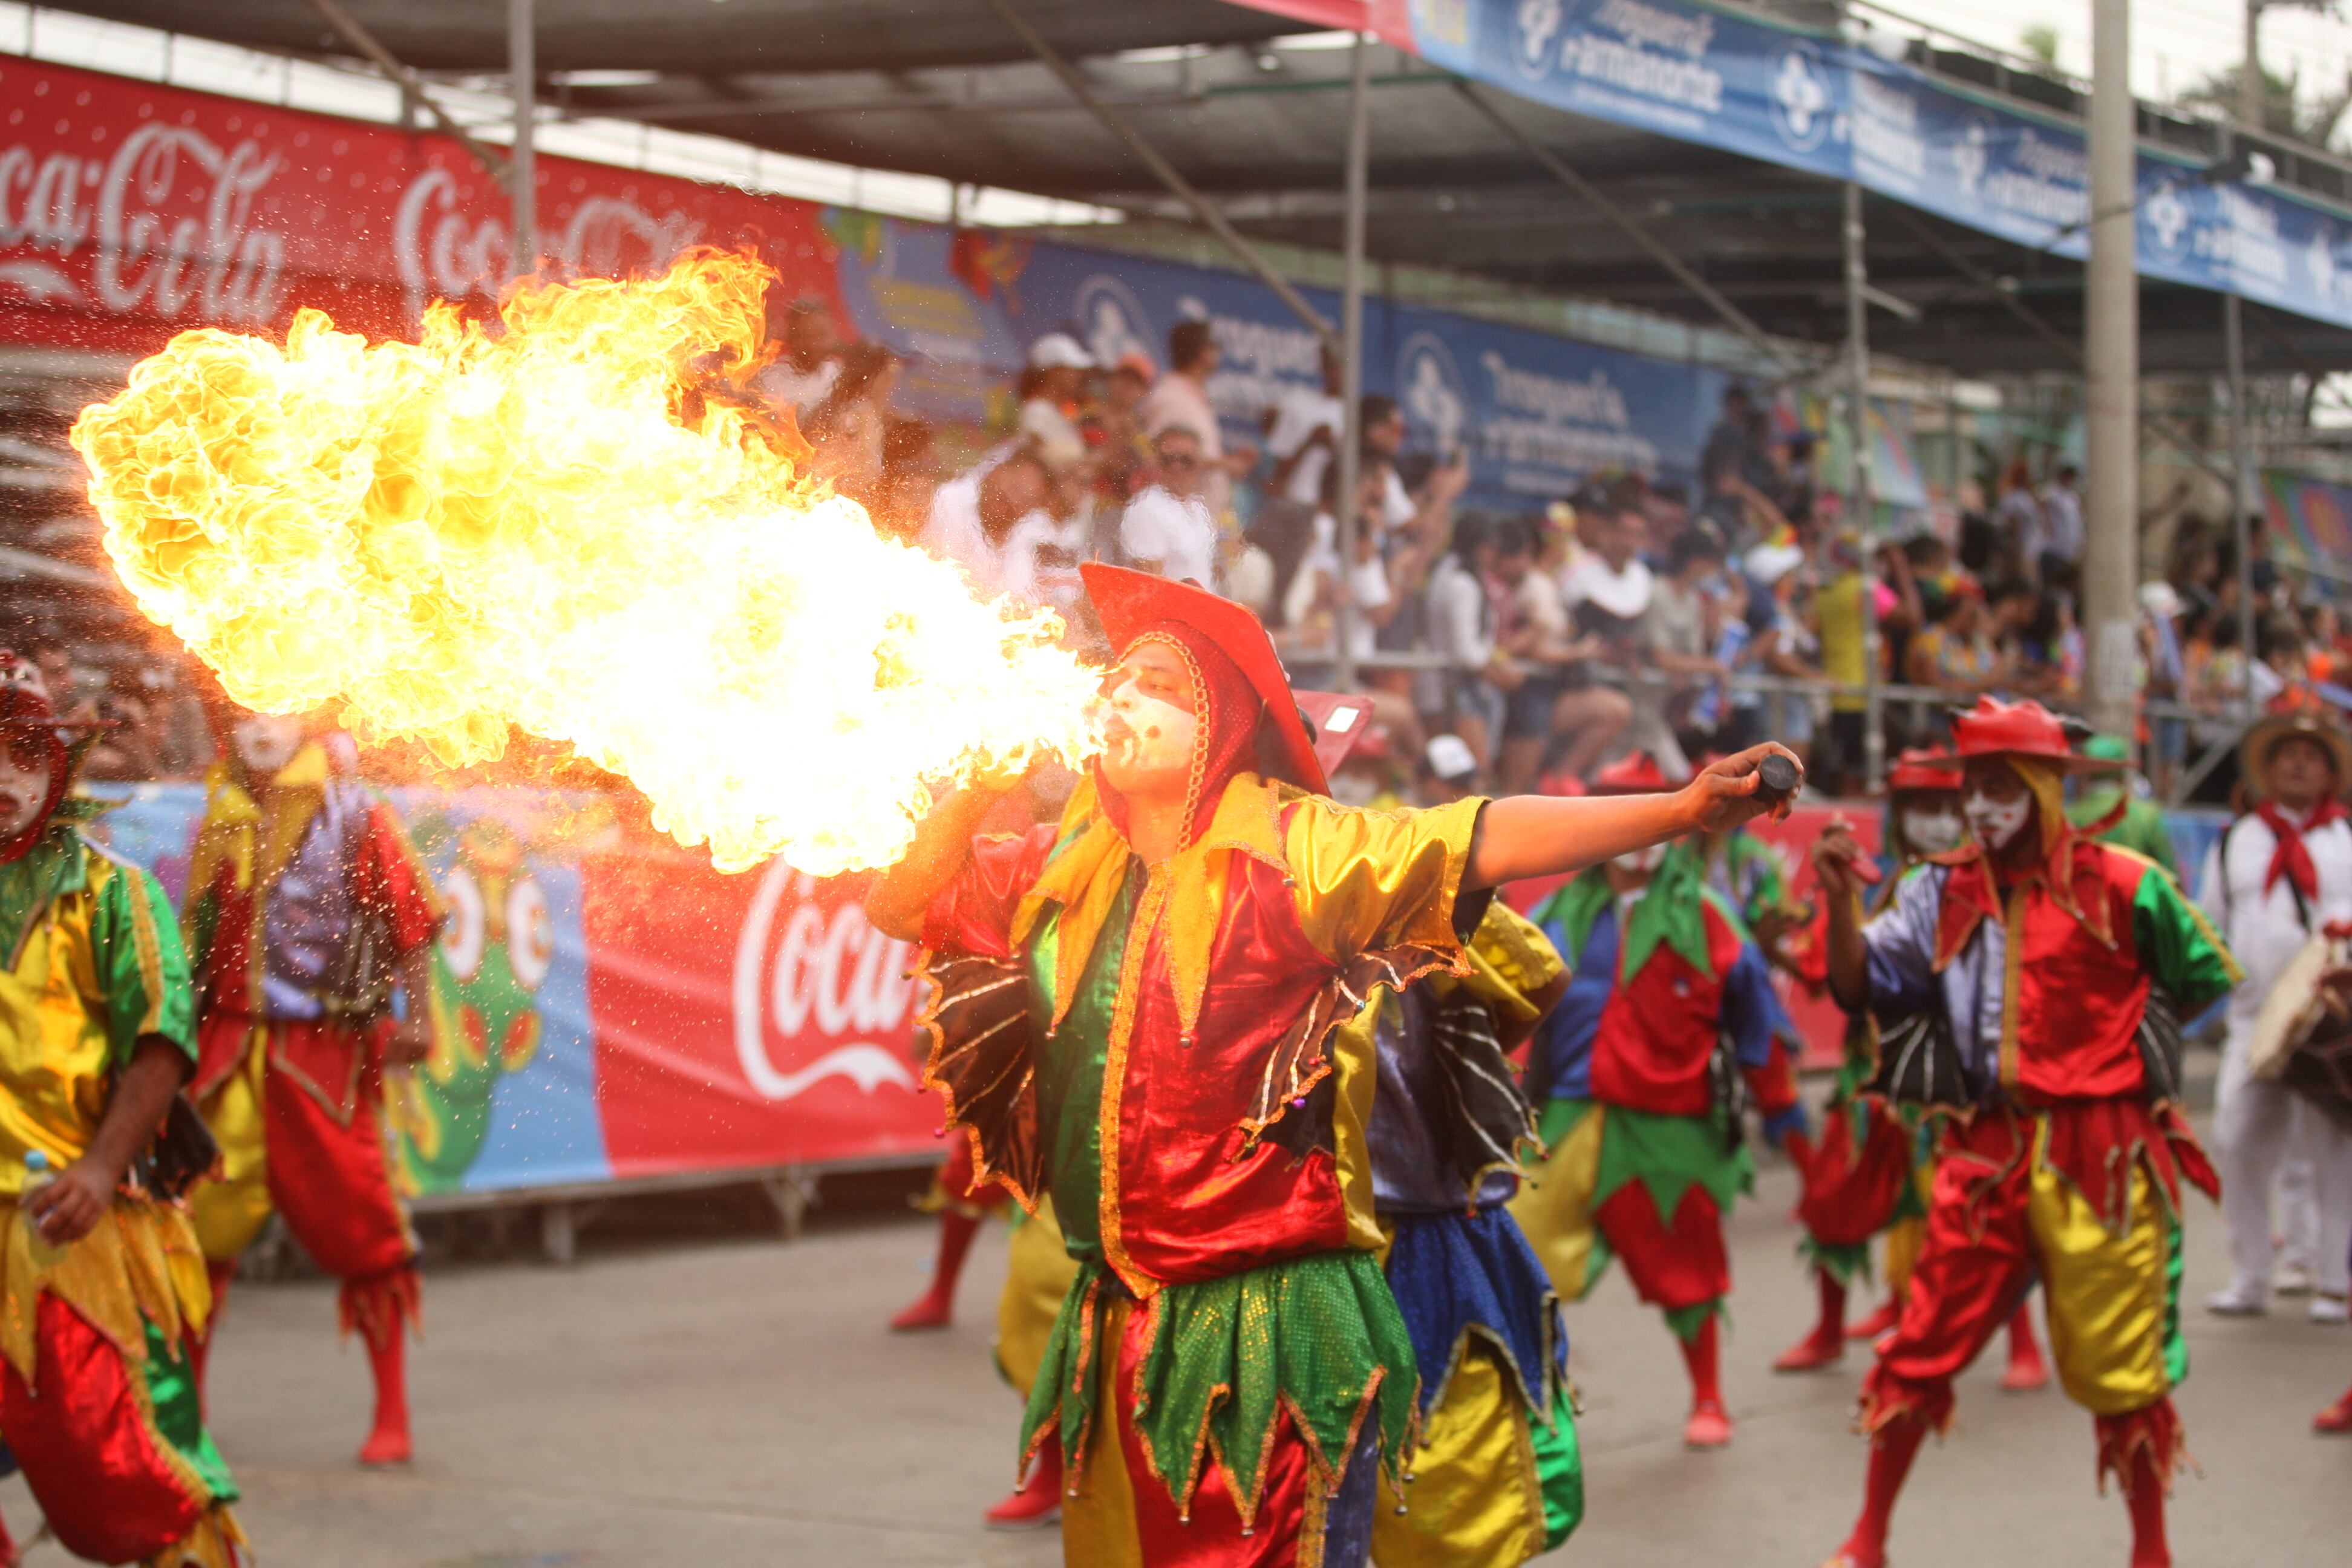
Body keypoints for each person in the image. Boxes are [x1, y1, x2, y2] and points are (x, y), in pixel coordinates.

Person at [867, 563, 1799, 1566]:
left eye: (1163, 686)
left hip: (1268, 1314)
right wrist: (974, 770)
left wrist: (1673, 810)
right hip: (1120, 1310)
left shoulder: (1297, 854)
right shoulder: (1060, 865)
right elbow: (901, 902)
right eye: (1120, 678)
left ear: (1220, 728)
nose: (1125, 697)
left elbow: (1479, 836)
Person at [1811, 696, 2239, 1568]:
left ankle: (2149, 1551)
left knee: (2126, 1371)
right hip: (1986, 1149)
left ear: (2047, 790)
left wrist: (2133, 1044)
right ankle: (1868, 1539)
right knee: (1922, 1342)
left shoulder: (2126, 882)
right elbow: (1860, 990)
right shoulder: (1938, 886)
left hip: (2105, 1149)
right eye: (1971, 787)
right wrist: (1838, 906)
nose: (1979, 807)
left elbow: (2205, 975)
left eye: (2000, 787)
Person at [0, 653, 246, 1567]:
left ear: (58, 766)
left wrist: (101, 1170)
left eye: (24, 752)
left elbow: (160, 1044)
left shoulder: (115, 894)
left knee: (135, 1479)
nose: (3, 778)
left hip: (76, 1225)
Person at [1510, 751, 1807, 1451]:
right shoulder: (1554, 912)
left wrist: (1789, 1121)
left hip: (1669, 1120)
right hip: (1564, 1115)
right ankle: (1536, 1394)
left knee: (1687, 1263)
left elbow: (1756, 1024)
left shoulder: (1708, 916)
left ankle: (1708, 1395)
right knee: (1521, 1259)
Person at [183, 709, 444, 1468]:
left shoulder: (356, 810)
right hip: (227, 1043)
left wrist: (420, 1015)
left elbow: (412, 918)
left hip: (322, 1045)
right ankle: (189, 1408)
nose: (260, 726)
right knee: (197, 1228)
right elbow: (198, 933)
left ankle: (391, 1407)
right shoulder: (220, 809)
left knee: (361, 1223)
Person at [1773, 751, 2048, 1393]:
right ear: (1899, 815)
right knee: (1831, 1203)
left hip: (1949, 1088)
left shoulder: (1976, 885)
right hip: (1868, 1080)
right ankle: (1828, 1328)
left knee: (1983, 1217)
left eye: (1947, 807)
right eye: (1922, 807)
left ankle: (2022, 1342)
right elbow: (1832, 976)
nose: (1937, 821)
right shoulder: (1876, 880)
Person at [1364, 898, 1583, 1568]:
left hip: (1428, 1229)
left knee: (1452, 1495)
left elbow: (1542, 976)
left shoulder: (1410, 861)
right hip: (1295, 1238)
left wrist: (1462, 1067)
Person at [2197, 712, 2352, 1325]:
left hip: (2328, 1025)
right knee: (2235, 1141)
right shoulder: (2238, 839)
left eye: (2310, 755)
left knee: (2331, 1152)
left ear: (2329, 771)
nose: (2297, 763)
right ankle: (2252, 1273)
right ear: (2267, 766)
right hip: (2252, 1021)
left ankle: (2334, 1280)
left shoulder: (2346, 840)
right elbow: (2209, 922)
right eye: (2286, 753)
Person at [1497, 514, 1630, 792]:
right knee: (1514, 790)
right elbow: (1533, 647)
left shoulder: (1548, 583)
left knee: (1613, 710)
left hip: (1551, 688)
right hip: (1529, 694)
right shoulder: (1534, 586)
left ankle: (1558, 781)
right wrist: (1578, 653)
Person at [918, 445, 1067, 607]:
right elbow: (948, 580)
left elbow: (1024, 598)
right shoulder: (951, 500)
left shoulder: (1027, 533)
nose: (1014, 500)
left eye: (1026, 500)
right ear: (997, 472)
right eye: (1015, 487)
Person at [1140, 321, 1256, 518]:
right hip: (1175, 516)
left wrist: (1229, 460)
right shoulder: (1172, 396)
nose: (1217, 354)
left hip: (1198, 517)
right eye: (1214, 347)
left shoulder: (1189, 394)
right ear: (1203, 352)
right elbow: (1166, 458)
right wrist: (1229, 465)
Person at [1119, 426, 1221, 587]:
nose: (1177, 466)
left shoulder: (1198, 509)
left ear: (1200, 463)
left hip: (1200, 607)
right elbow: (1149, 583)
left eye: (1186, 460)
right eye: (1169, 460)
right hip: (1169, 611)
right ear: (1158, 462)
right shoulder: (1146, 508)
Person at [2069, 734, 2179, 879]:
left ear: (2087, 773)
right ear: (2122, 773)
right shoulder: (2147, 815)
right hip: (2137, 899)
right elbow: (2169, 875)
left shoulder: (2070, 816)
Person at [803, 341, 901, 498]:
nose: (893, 382)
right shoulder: (857, 414)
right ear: (872, 377)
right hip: (834, 500)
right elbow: (858, 474)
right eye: (889, 373)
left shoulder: (860, 411)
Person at [1263, 346, 1344, 509]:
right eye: (1332, 364)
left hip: (1333, 512)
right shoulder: (1297, 403)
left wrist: (1335, 448)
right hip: (1294, 504)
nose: (1337, 371)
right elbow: (1277, 471)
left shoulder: (1359, 414)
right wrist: (1310, 442)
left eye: (1343, 364)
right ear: (1323, 365)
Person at [1016, 333, 1095, 478]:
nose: (1079, 376)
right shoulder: (1037, 411)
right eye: (1073, 370)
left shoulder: (1060, 413)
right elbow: (1037, 462)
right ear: (1054, 372)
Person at [752, 293, 843, 416]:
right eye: (806, 335)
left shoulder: (839, 375)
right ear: (792, 337)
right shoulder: (773, 378)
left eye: (821, 334)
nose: (814, 343)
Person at [2037, 462, 2085, 585]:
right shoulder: (2052, 491)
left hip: (2069, 551)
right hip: (2054, 547)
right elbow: (2041, 504)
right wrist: (2047, 526)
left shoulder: (2072, 496)